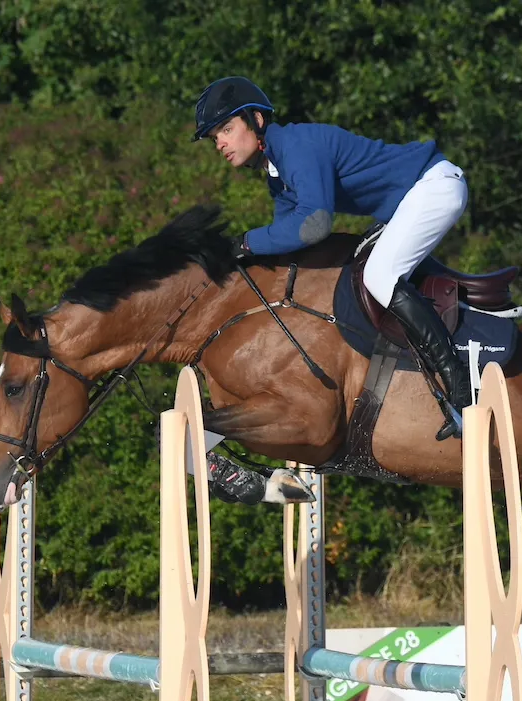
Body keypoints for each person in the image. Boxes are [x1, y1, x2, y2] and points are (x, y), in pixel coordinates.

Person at [194, 76, 472, 438]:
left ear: (257, 120)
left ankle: (459, 388)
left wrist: (245, 243)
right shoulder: (277, 174)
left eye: (226, 129)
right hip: (410, 201)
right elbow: (290, 244)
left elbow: (314, 225)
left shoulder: (295, 145)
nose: (221, 143)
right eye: (216, 137)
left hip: (433, 187)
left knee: (379, 276)